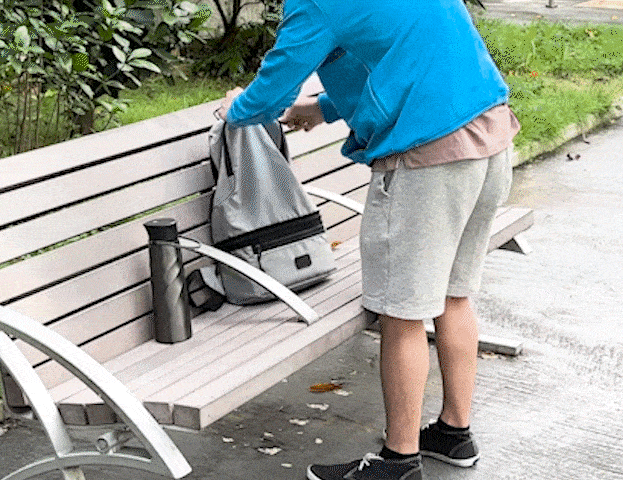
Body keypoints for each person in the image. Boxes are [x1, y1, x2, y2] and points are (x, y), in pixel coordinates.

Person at [216, 1, 520, 479]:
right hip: (489, 137)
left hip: (429, 157)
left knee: (401, 314)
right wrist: (322, 109)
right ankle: (453, 433)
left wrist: (235, 107)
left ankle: (399, 462)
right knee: (453, 296)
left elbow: (269, 95)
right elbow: (400, 50)